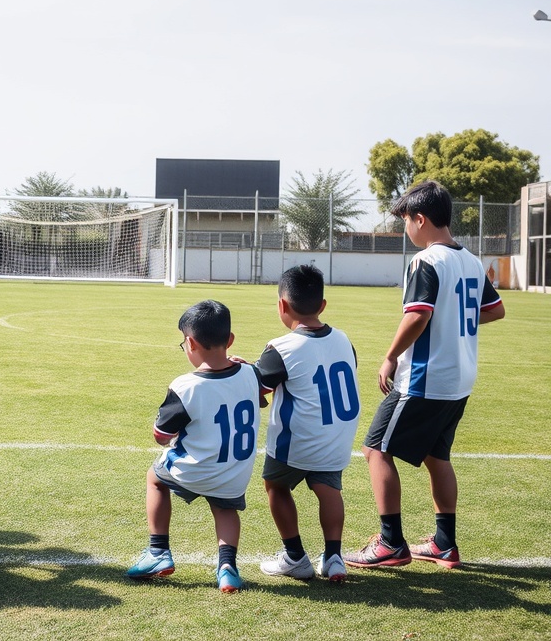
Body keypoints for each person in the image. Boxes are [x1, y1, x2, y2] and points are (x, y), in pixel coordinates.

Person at [346, 180, 505, 570]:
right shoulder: (469, 258)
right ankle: (445, 544)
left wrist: (389, 357)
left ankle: (389, 543)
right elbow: (495, 309)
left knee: (376, 450)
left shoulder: (426, 261)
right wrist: (455, 320)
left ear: (420, 218)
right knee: (437, 456)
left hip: (424, 379)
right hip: (460, 379)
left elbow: (417, 315)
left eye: (405, 222)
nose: (406, 230)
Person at [125, 300, 262, 594]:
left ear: (189, 343)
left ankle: (158, 552)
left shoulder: (185, 385)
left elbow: (161, 435)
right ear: (230, 340)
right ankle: (227, 568)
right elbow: (259, 392)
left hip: (195, 468)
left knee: (155, 479)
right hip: (234, 473)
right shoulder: (251, 373)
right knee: (225, 508)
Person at [255, 265, 360, 583]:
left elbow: (257, 388)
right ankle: (334, 556)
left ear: (281, 306)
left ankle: (295, 556)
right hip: (338, 439)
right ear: (323, 305)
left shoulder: (281, 348)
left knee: (275, 485)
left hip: (298, 441)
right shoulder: (344, 340)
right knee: (328, 489)